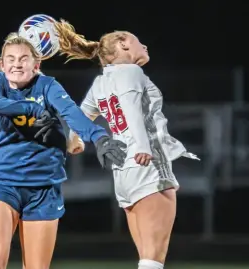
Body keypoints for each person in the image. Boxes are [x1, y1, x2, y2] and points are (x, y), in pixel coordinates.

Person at [55, 20, 199, 269]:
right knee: (154, 256)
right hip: (146, 161)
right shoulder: (131, 72)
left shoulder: (101, 82)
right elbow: (131, 108)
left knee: (146, 256)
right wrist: (143, 146)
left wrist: (74, 140)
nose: (143, 44)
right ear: (122, 43)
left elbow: (81, 115)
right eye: (136, 40)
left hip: (122, 168)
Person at [0, 32, 126, 269]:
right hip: (3, 183)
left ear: (36, 65)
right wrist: (33, 110)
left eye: (24, 58)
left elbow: (72, 114)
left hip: (44, 187)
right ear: (2, 64)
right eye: (10, 58)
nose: (17, 63)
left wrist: (99, 137)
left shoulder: (47, 86)